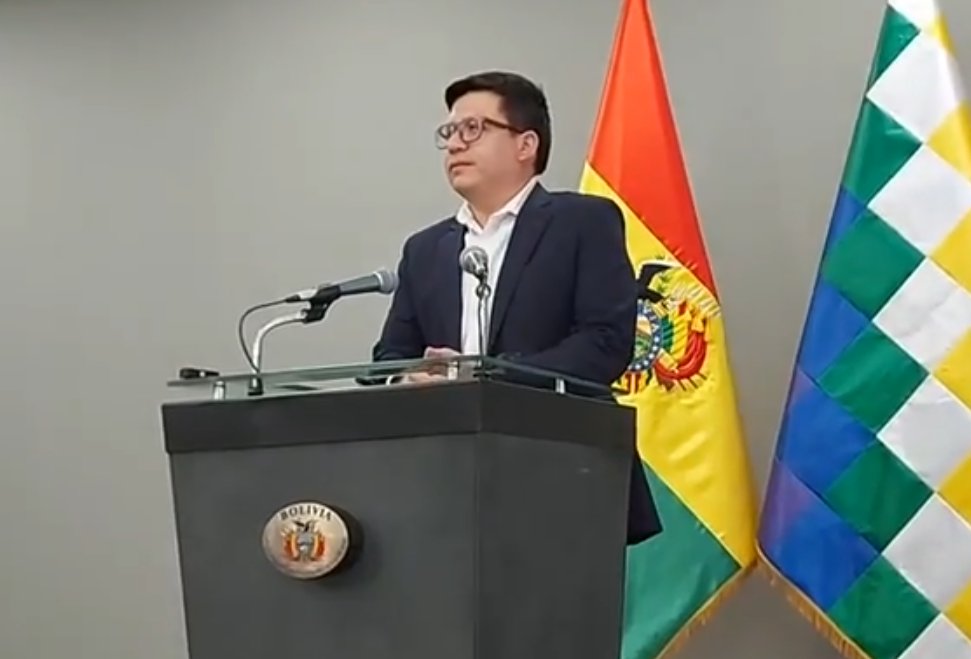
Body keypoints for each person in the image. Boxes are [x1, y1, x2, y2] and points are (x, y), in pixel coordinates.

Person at [370, 70, 660, 545]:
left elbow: (604, 344)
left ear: (526, 144)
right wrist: (407, 379)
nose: (454, 144)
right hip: (443, 482)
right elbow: (390, 356)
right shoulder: (424, 249)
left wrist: (489, 377)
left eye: (473, 129)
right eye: (448, 132)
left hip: (562, 471)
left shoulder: (582, 222)